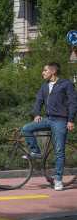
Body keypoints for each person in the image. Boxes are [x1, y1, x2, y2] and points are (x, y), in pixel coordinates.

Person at [21, 62, 76, 191]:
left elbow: (73, 102)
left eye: (45, 70)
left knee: (59, 150)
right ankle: (35, 151)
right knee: (26, 128)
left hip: (60, 121)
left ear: (53, 71)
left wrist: (71, 120)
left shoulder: (66, 84)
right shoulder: (44, 86)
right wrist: (36, 114)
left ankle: (58, 179)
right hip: (48, 119)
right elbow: (38, 101)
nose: (43, 73)